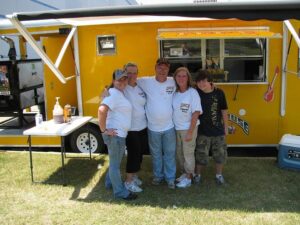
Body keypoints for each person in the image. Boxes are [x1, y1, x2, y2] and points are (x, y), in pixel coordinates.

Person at [137, 58, 177, 189]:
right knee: (156, 154)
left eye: (165, 68)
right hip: (153, 128)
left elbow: (188, 83)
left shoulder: (173, 81)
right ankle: (158, 177)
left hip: (169, 127)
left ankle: (170, 178)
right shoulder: (145, 81)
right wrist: (108, 88)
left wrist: (211, 85)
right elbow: (128, 80)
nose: (162, 70)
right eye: (160, 67)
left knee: (170, 154)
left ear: (168, 70)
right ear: (155, 68)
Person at [98, 69, 137, 200]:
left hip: (118, 135)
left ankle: (109, 183)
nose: (122, 82)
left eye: (124, 79)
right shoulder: (114, 94)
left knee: (114, 162)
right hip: (115, 136)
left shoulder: (117, 93)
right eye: (119, 79)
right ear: (114, 81)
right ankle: (120, 192)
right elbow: (101, 110)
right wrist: (104, 131)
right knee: (115, 165)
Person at [194, 69, 228, 185]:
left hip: (218, 131)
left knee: (220, 155)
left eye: (204, 81)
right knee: (200, 154)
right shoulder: (195, 92)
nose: (201, 84)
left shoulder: (219, 93)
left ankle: (219, 175)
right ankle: (197, 175)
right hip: (202, 131)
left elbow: (224, 111)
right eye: (199, 81)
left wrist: (226, 127)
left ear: (210, 82)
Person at [172, 67, 202, 188]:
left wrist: (190, 132)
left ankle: (189, 177)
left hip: (189, 128)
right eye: (178, 76)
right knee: (179, 153)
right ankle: (185, 173)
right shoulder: (175, 93)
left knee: (188, 153)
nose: (181, 78)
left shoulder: (192, 92)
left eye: (184, 76)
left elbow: (196, 112)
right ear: (175, 78)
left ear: (188, 78)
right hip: (176, 128)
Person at [123, 62, 148, 193]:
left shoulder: (140, 88)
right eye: (129, 72)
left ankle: (134, 176)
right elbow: (106, 95)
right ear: (124, 73)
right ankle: (128, 181)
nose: (132, 75)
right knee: (133, 154)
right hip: (130, 128)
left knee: (140, 154)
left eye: (134, 72)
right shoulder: (121, 87)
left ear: (137, 74)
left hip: (143, 126)